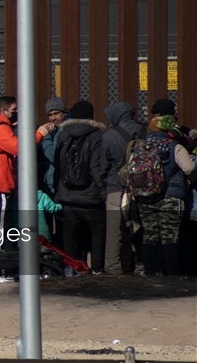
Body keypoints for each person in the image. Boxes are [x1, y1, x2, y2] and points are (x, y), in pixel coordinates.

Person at [0, 96, 51, 266]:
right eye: (14, 110)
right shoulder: (0, 126)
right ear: (3, 111)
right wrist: (40, 134)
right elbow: (18, 148)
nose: (16, 113)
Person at [134, 111, 197, 275]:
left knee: (149, 235)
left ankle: (149, 273)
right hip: (171, 196)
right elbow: (189, 168)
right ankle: (172, 274)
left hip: (145, 196)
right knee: (170, 237)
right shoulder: (174, 146)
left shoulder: (140, 147)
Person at [53, 101, 107, 271]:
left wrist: (58, 189)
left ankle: (72, 268)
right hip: (90, 195)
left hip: (68, 194)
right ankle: (97, 268)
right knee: (97, 231)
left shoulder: (63, 134)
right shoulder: (97, 135)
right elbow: (95, 166)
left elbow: (58, 164)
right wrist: (103, 190)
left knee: (69, 233)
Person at [101, 102, 145, 274]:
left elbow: (103, 167)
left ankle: (113, 270)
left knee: (114, 233)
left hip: (116, 189)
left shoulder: (110, 136)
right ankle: (143, 267)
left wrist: (103, 190)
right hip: (142, 191)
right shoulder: (146, 131)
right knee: (141, 230)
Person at [39, 97, 69, 196]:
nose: (53, 118)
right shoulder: (57, 130)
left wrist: (45, 135)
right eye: (50, 115)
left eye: (56, 113)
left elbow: (52, 156)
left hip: (58, 185)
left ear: (64, 113)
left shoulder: (63, 130)